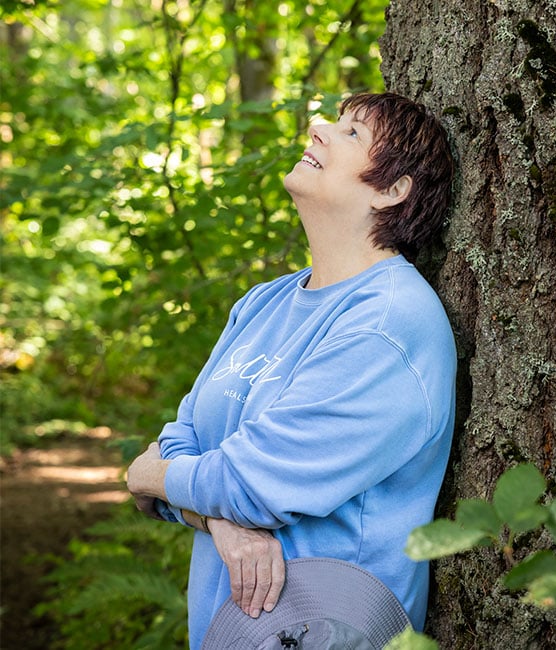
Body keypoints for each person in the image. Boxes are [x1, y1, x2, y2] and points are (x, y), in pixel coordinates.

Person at [127, 91, 457, 649]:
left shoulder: (387, 326)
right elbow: (182, 437)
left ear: (391, 191)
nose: (320, 130)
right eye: (333, 122)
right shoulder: (264, 303)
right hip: (227, 631)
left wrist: (151, 480)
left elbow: (242, 484)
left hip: (326, 631)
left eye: (352, 133)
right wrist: (217, 519)